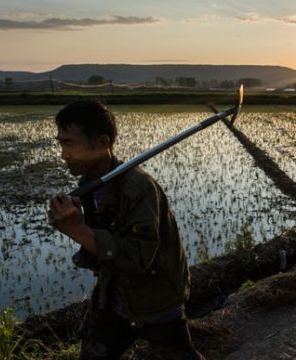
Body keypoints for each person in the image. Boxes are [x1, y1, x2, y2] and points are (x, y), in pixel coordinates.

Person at [47, 100, 204, 360]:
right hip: (115, 298)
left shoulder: (138, 188)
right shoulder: (89, 185)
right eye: (60, 143)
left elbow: (137, 258)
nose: (63, 153)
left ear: (102, 142)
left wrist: (78, 230)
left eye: (69, 143)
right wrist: (76, 227)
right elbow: (100, 253)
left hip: (158, 300)